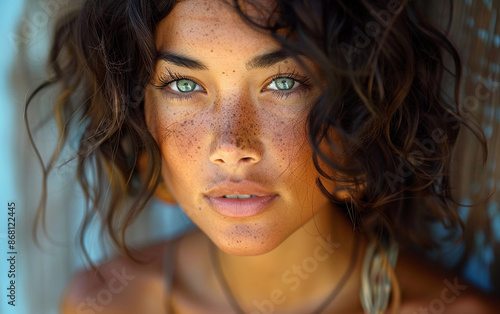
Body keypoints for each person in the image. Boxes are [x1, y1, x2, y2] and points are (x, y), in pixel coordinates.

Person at [25, 0, 499, 313]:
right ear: (140, 114)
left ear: (357, 110)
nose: (231, 145)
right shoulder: (107, 303)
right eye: (184, 85)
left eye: (283, 84)